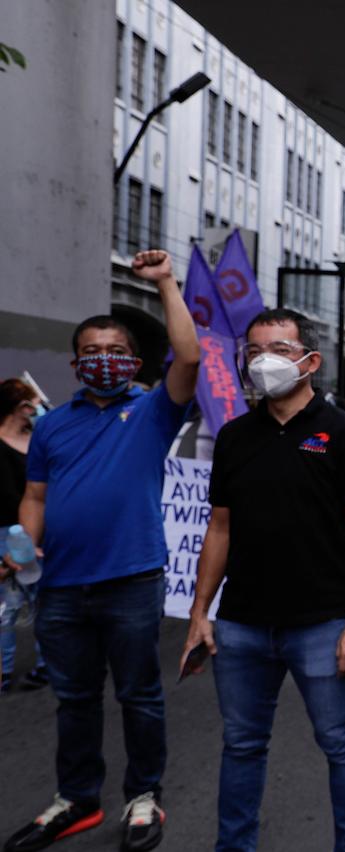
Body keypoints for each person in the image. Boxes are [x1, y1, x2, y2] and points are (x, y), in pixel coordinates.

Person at [3, 251, 198, 852]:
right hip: (59, 587)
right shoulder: (53, 425)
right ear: (75, 363)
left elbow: (188, 356)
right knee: (75, 699)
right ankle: (78, 798)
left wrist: (165, 282)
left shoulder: (152, 412)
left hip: (132, 583)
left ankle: (144, 796)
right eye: (92, 352)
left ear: (134, 363)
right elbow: (35, 495)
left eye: (115, 351)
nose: (104, 360)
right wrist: (24, 544)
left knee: (139, 695)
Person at [180, 308, 345, 852]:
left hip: (321, 625)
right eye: (254, 351)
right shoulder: (235, 437)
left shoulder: (344, 434)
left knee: (342, 745)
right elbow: (218, 528)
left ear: (310, 361)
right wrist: (201, 612)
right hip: (242, 625)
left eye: (280, 350)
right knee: (242, 745)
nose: (264, 361)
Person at [0, 378, 47, 693]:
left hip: (42, 531)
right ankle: (2, 672)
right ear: (20, 407)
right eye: (34, 403)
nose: (38, 409)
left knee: (44, 602)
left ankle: (47, 665)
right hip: (6, 533)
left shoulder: (39, 441)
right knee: (6, 607)